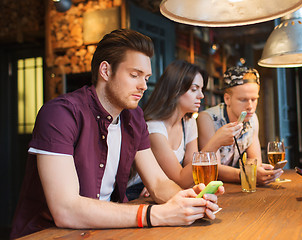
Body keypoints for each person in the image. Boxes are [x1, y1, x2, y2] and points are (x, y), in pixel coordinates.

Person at [10, 29, 223, 239]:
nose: (143, 86)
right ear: (105, 71)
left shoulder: (134, 117)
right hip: (49, 233)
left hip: (107, 229)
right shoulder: (61, 114)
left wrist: (187, 200)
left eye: (146, 77)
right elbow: (66, 209)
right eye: (134, 75)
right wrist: (155, 214)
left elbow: (158, 183)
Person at [126, 60, 235, 196]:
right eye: (194, 89)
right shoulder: (153, 129)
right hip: (136, 193)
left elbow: (191, 174)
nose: (201, 95)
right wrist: (215, 142)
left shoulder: (188, 123)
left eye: (201, 90)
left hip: (166, 190)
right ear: (175, 90)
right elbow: (180, 178)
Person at [197, 66, 282, 184]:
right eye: (243, 100)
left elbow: (254, 161)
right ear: (227, 99)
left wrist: (260, 171)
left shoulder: (252, 118)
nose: (250, 106)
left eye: (254, 99)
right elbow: (214, 169)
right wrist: (248, 173)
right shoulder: (207, 119)